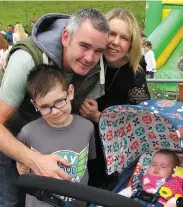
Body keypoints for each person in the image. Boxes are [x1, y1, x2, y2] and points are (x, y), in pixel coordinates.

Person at [0, 8, 109, 207]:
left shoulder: (97, 64)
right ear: (66, 37)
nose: (90, 57)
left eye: (98, 50)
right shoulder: (25, 60)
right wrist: (32, 159)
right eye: (84, 46)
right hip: (14, 140)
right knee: (12, 201)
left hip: (60, 144)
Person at [80, 8, 150, 189]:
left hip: (115, 152)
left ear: (131, 43)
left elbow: (139, 122)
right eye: (111, 34)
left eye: (124, 38)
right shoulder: (88, 59)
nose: (115, 43)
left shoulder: (135, 71)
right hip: (82, 144)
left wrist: (98, 116)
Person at [16, 64, 96, 207]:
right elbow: (21, 167)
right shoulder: (27, 132)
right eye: (45, 106)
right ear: (35, 104)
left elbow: (88, 163)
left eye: (59, 101)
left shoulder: (87, 127)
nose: (54, 112)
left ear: (70, 92)